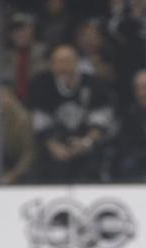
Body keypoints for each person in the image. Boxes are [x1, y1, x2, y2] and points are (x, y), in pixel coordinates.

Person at [29, 44, 114, 183]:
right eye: (59, 62)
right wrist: (54, 147)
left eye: (68, 61)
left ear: (77, 62)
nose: (63, 67)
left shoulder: (95, 84)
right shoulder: (42, 84)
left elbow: (101, 122)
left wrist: (85, 142)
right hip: (56, 144)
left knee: (95, 161)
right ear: (52, 65)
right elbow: (41, 123)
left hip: (86, 143)